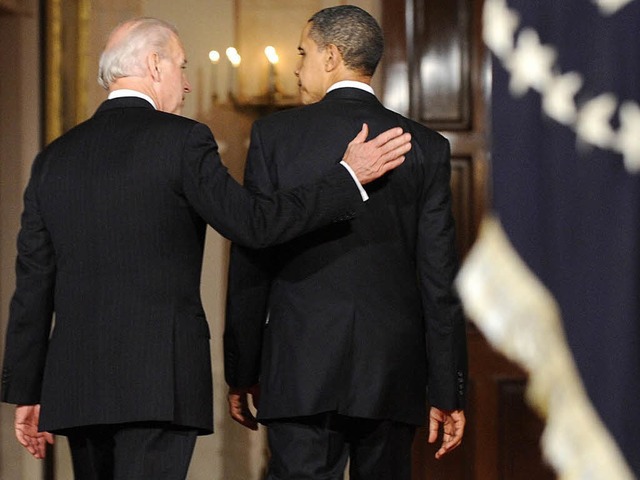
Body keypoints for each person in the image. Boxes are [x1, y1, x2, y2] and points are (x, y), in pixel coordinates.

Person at [0, 16, 412, 480]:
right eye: (182, 65)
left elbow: (33, 282)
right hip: (159, 384)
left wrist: (27, 390)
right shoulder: (182, 141)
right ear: (155, 66)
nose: (189, 83)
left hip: (77, 388)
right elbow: (255, 225)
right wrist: (347, 178)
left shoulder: (54, 158)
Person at [224, 5, 468, 479]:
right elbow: (440, 280)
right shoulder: (426, 146)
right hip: (391, 372)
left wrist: (242, 368)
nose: (296, 67)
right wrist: (446, 389)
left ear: (331, 56)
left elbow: (252, 261)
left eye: (303, 52)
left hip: (298, 367)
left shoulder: (274, 136)